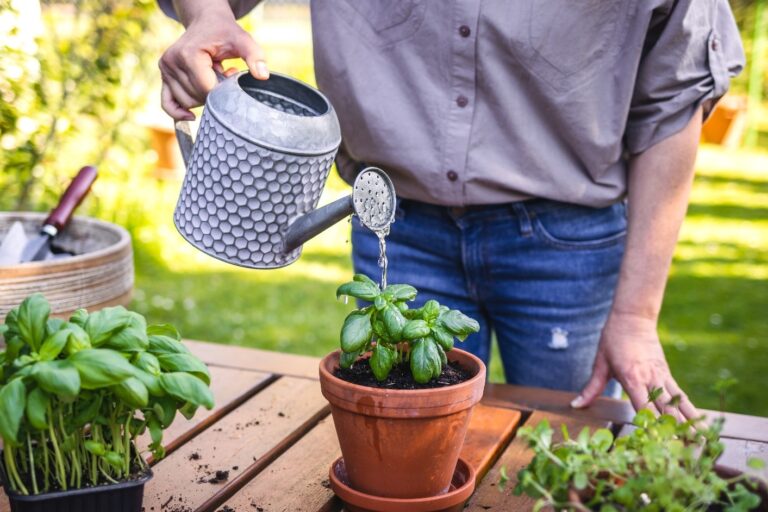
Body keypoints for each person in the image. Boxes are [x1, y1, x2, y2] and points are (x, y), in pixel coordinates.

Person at [158, 0, 745, 419]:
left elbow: (676, 94)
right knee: (404, 451)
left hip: (566, 244)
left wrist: (638, 318)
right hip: (397, 223)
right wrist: (206, 15)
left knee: (570, 453)